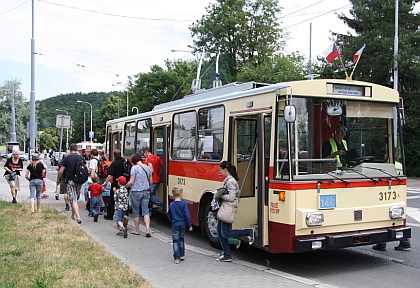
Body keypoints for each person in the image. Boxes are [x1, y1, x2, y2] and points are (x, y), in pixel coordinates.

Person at [216, 161, 254, 262]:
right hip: (226, 207)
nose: (220, 172)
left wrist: (220, 195)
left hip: (228, 208)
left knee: (225, 233)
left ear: (225, 169)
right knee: (219, 232)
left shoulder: (231, 181)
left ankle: (248, 232)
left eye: (221, 169)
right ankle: (227, 254)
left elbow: (232, 197)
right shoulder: (229, 180)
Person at [56, 143, 87, 224]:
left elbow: (61, 171)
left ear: (70, 149)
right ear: (76, 149)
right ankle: (73, 215)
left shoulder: (67, 158)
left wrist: (58, 179)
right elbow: (86, 168)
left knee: (73, 200)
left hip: (70, 180)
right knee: (75, 199)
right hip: (79, 181)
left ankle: (78, 216)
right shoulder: (81, 157)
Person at [125, 153, 152, 237]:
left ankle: (137, 230)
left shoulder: (134, 168)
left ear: (134, 161)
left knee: (136, 211)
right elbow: (151, 182)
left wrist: (125, 186)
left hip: (136, 191)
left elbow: (131, 181)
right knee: (146, 211)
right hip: (146, 191)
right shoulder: (147, 168)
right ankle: (147, 230)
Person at [167, 185, 193, 264]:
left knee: (175, 241)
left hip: (175, 224)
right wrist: (190, 225)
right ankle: (182, 255)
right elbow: (187, 215)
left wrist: (172, 221)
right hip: (183, 224)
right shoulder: (184, 204)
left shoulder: (171, 205)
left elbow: (169, 215)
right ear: (181, 194)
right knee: (181, 239)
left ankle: (176, 257)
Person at [102, 149, 127, 220]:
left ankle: (110, 215)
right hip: (125, 183)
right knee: (124, 199)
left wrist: (105, 182)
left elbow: (111, 175)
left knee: (112, 200)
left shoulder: (114, 163)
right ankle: (124, 215)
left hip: (116, 184)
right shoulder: (125, 162)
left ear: (114, 155)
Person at [142, 147, 164, 212]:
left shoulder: (148, 159)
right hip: (158, 179)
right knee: (152, 194)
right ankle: (150, 210)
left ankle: (161, 204)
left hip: (152, 180)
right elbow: (162, 167)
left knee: (149, 194)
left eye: (143, 154)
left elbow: (151, 170)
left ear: (146, 152)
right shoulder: (158, 158)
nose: (143, 155)